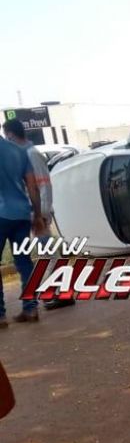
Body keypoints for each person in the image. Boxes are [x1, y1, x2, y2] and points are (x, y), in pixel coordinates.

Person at [2, 120, 75, 311]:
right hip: (34, 212)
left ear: (10, 135)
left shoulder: (31, 154)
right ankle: (60, 292)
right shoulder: (24, 155)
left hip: (39, 213)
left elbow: (44, 185)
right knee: (46, 253)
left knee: (49, 253)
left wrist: (41, 215)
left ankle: (63, 293)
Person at [0, 134, 45, 325]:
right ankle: (31, 307)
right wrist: (37, 213)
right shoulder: (18, 150)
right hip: (22, 214)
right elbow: (32, 186)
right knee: (25, 262)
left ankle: (0, 315)